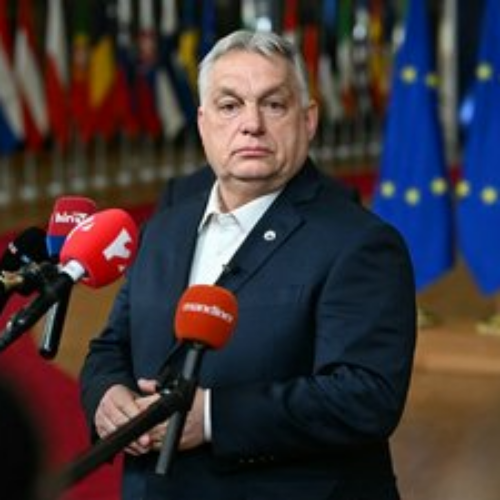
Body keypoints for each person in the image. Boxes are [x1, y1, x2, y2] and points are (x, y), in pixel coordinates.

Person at [79, 29, 416, 500]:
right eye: (229, 105)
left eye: (273, 105)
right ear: (203, 123)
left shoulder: (361, 243)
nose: (251, 124)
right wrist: (107, 395)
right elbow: (111, 346)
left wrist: (213, 418)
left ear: (308, 120)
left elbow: (366, 396)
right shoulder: (164, 228)